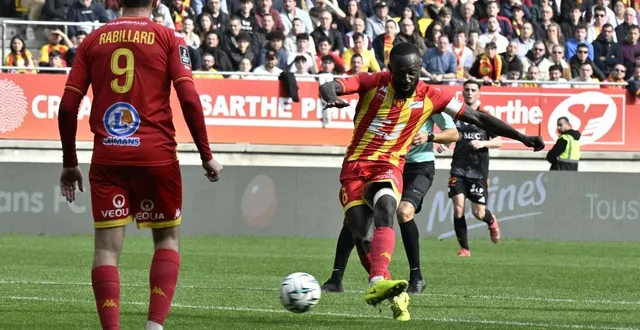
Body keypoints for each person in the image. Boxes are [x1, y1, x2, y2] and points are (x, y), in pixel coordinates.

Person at [319, 43, 544, 321]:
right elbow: (331, 85)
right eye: (400, 73)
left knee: (388, 207)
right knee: (361, 235)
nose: (406, 80)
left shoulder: (431, 95)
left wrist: (521, 137)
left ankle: (377, 280)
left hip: (389, 166)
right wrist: (331, 96)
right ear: (390, 70)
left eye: (412, 73)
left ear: (419, 70)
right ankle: (391, 292)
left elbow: (478, 117)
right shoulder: (372, 82)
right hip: (354, 168)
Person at [56, 0, 224, 329]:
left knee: (106, 249)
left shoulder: (92, 40)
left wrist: (69, 162)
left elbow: (66, 107)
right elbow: (189, 99)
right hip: (156, 156)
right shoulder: (169, 38)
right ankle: (154, 326)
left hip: (108, 156)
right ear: (156, 2)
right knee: (167, 240)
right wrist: (206, 155)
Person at [320, 113, 459, 295]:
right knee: (354, 218)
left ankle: (416, 278)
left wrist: (429, 136)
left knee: (404, 212)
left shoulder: (429, 99)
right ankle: (336, 279)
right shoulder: (388, 99)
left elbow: (453, 134)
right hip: (385, 164)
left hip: (416, 167)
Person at [437, 80, 502, 258]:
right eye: (467, 90)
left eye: (473, 90)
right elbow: (451, 135)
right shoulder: (457, 115)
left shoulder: (485, 116)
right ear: (462, 92)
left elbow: (499, 141)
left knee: (478, 212)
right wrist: (445, 144)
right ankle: (465, 248)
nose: (470, 93)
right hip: (458, 168)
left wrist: (483, 142)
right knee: (458, 208)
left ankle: (491, 220)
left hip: (478, 171)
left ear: (479, 93)